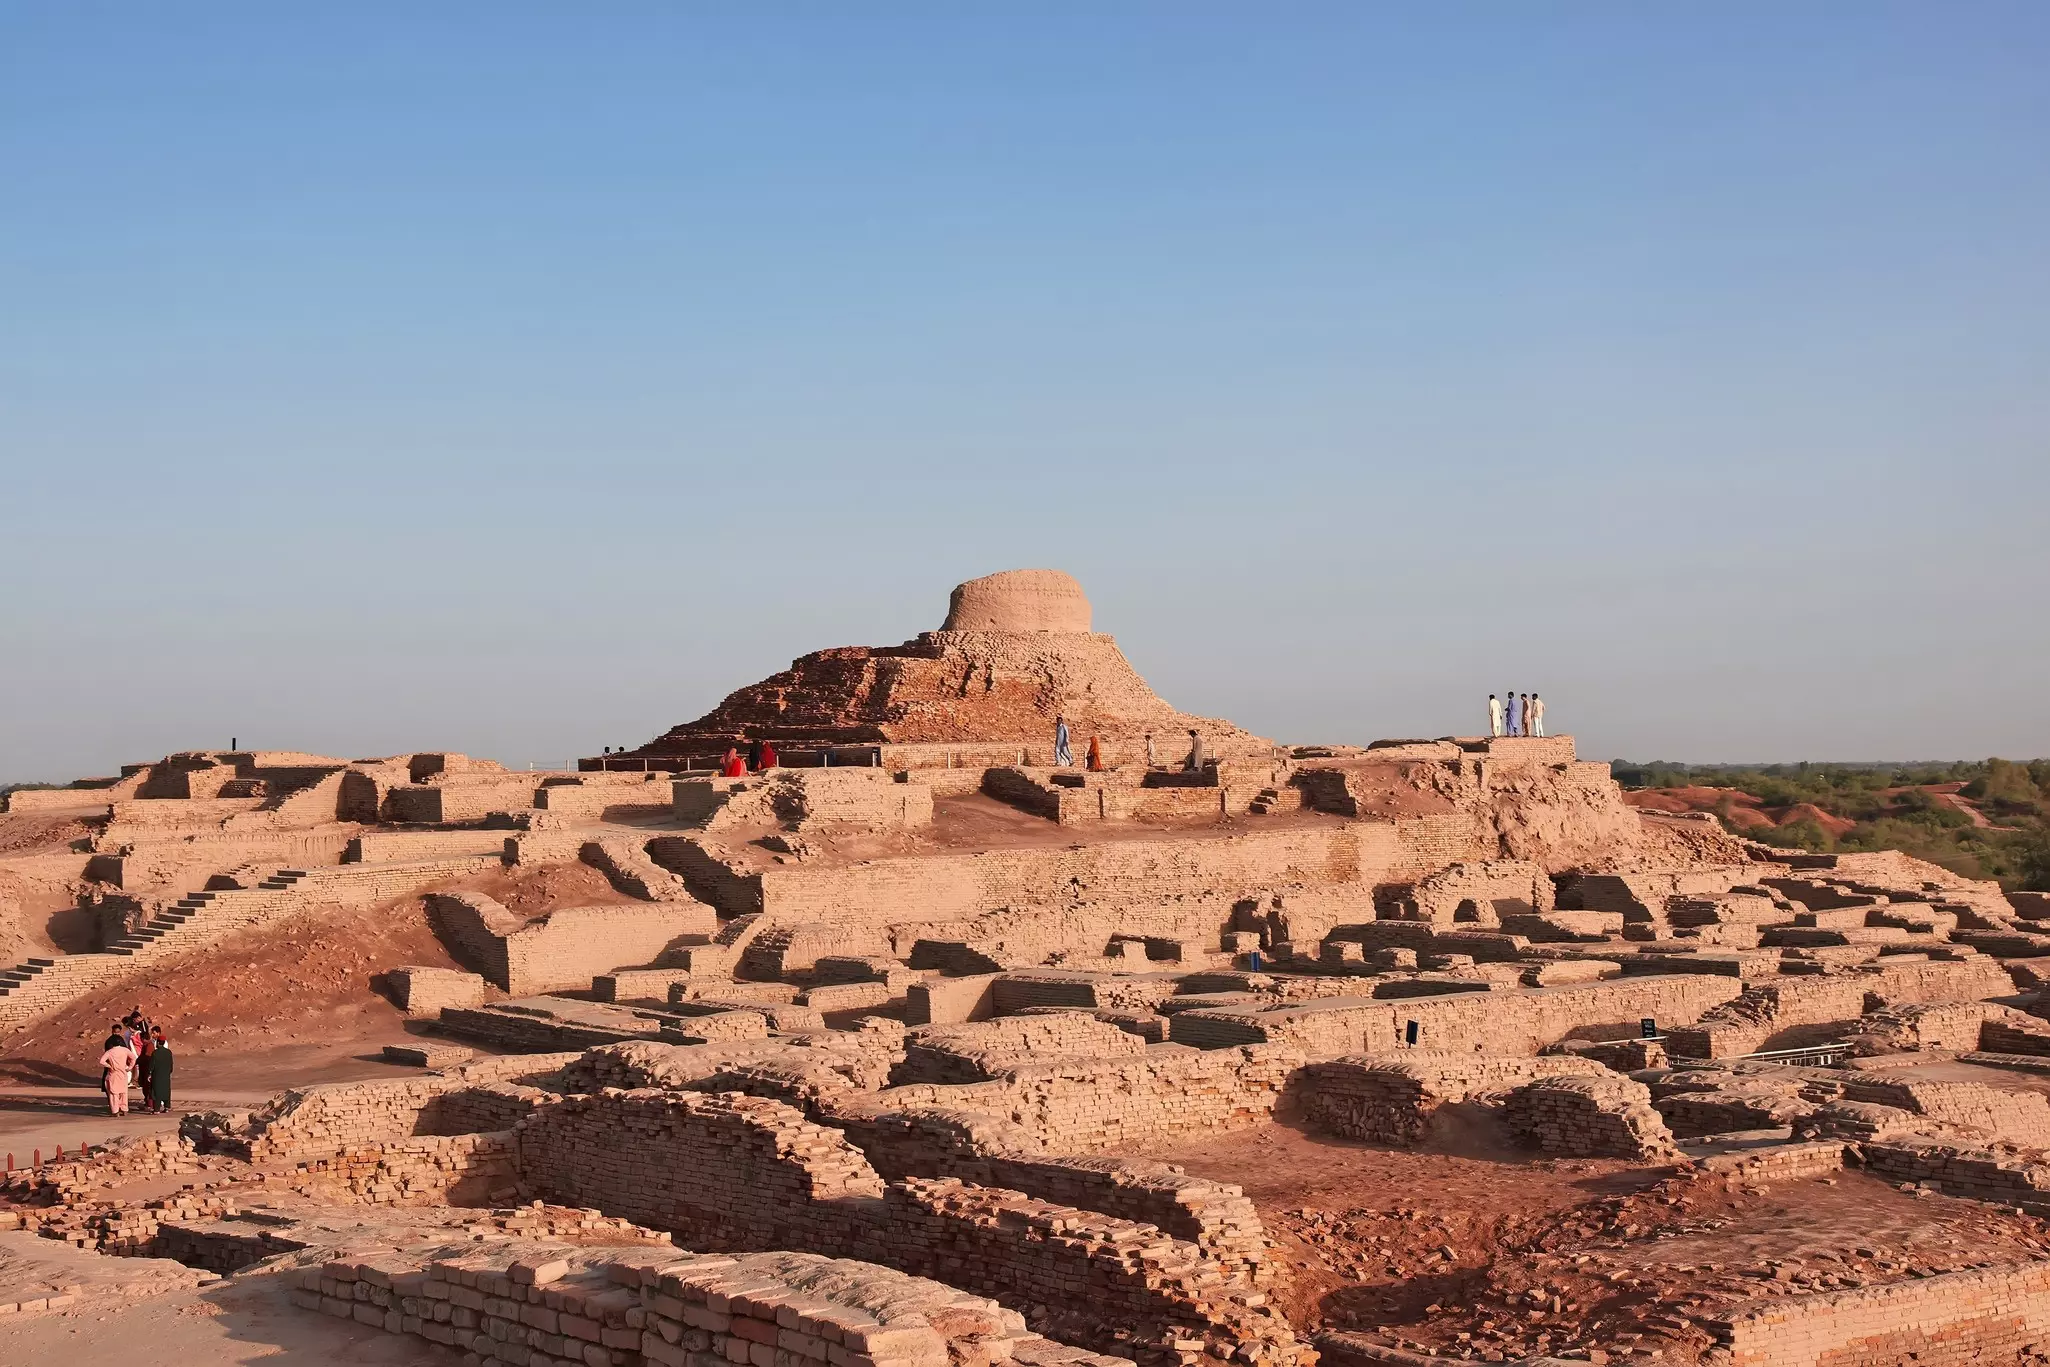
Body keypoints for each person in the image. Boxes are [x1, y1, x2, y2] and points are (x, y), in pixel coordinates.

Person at [99, 1030, 135, 1117]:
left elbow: (101, 1061)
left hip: (113, 1073)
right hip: (123, 1074)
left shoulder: (110, 1052)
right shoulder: (125, 1050)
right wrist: (129, 1067)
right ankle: (124, 1109)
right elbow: (133, 1058)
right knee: (123, 1093)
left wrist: (109, 1066)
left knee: (113, 1093)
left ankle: (115, 1111)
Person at [148, 1029, 173, 1114]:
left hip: (157, 1075)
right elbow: (171, 1065)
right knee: (166, 1091)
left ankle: (156, 1109)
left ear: (158, 1043)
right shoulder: (169, 1052)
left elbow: (151, 1065)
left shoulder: (155, 1053)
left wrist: (149, 1073)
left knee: (156, 1092)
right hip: (166, 1075)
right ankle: (167, 1107)